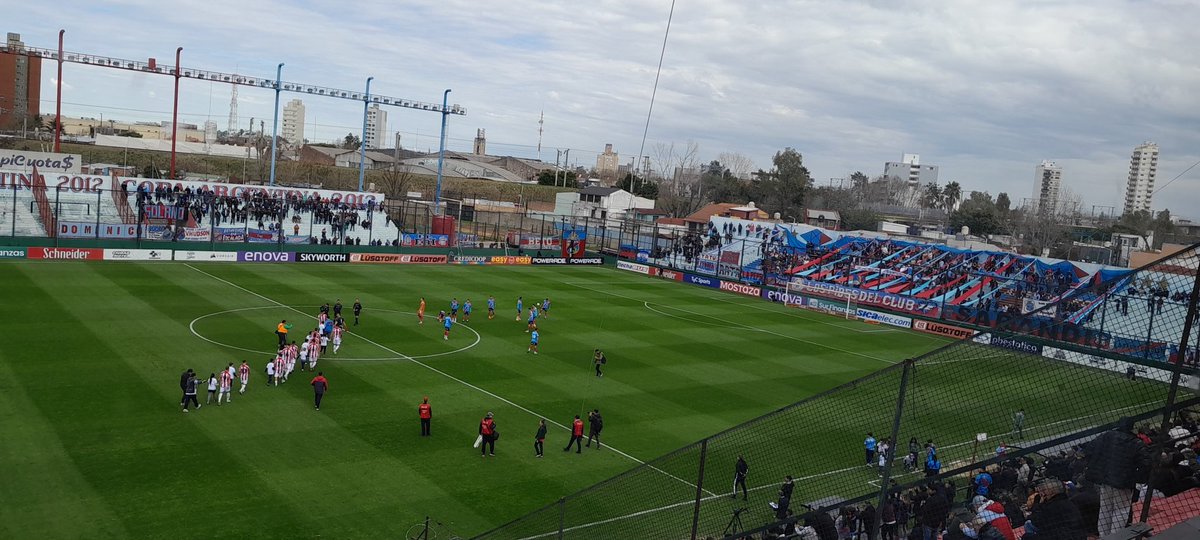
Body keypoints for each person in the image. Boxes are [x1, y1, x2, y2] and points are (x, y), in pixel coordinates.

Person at [1083, 417, 1151, 537]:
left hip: (1104, 480)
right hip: (1123, 483)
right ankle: (1115, 537)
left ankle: (1104, 537)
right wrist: (1136, 478)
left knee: (1105, 509)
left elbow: (1089, 450)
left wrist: (1099, 466)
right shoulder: (1135, 442)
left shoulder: (1107, 436)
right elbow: (1146, 463)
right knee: (1121, 510)